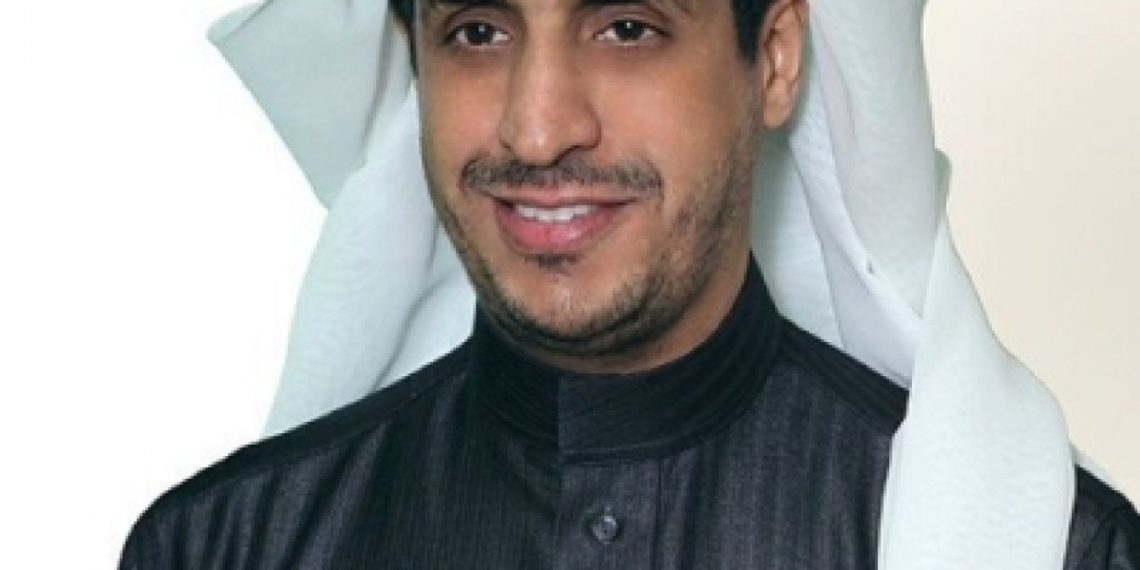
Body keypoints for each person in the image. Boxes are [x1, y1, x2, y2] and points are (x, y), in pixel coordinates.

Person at [121, 0, 1139, 567]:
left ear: (774, 59)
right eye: (478, 30)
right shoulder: (223, 549)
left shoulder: (1061, 556)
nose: (538, 129)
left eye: (626, 27)